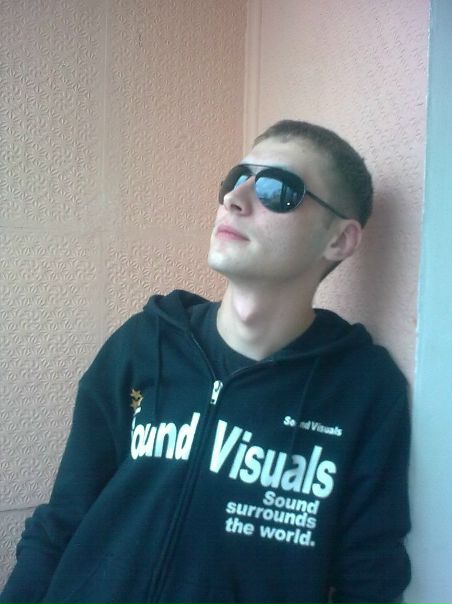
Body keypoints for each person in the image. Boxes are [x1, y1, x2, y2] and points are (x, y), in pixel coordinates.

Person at [0, 120, 411, 604]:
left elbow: (370, 579)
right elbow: (63, 519)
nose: (235, 198)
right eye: (237, 178)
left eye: (278, 190)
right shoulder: (143, 344)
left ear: (339, 240)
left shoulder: (363, 389)